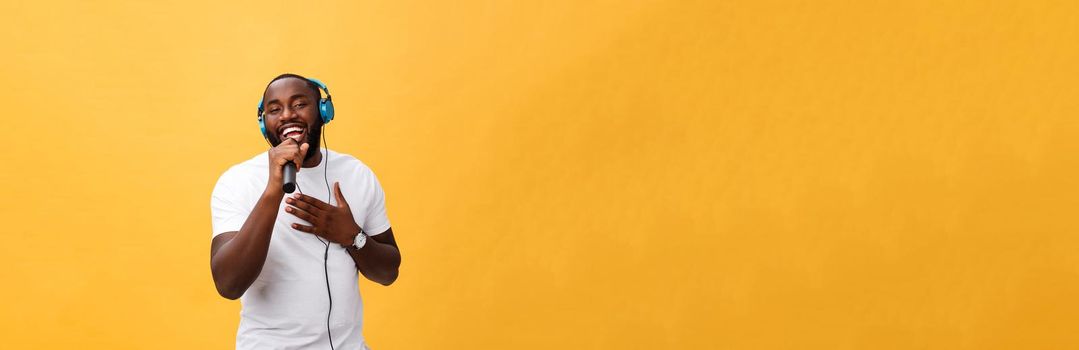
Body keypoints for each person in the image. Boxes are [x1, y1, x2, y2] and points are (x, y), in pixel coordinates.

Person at [209, 73, 402, 349]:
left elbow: (388, 272)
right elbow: (228, 284)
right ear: (265, 123)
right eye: (275, 109)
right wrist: (273, 190)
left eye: (300, 104)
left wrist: (352, 236)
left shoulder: (357, 174)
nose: (287, 115)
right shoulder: (237, 181)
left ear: (324, 111)